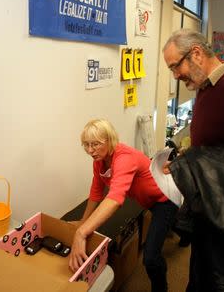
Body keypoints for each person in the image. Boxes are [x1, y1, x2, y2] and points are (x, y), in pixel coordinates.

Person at [163, 28, 224, 292]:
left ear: (196, 53)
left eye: (175, 66)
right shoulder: (205, 88)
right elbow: (217, 147)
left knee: (223, 283)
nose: (175, 75)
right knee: (199, 278)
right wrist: (187, 160)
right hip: (208, 211)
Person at [69, 118, 178, 292]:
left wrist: (82, 233)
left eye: (95, 144)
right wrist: (83, 221)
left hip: (164, 200)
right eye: (86, 145)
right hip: (147, 200)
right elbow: (96, 192)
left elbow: (115, 198)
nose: (90, 150)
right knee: (175, 224)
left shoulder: (124, 157)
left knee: (150, 257)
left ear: (110, 140)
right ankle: (183, 227)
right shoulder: (99, 161)